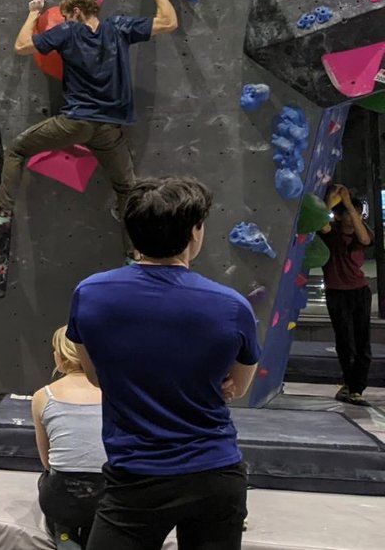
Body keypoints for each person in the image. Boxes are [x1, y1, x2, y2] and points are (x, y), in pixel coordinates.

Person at [68, 177, 260, 550]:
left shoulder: (90, 293)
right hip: (215, 474)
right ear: (194, 233)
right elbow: (237, 386)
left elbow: (96, 376)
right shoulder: (232, 306)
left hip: (135, 478)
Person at [0, 0, 178, 231]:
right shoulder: (119, 28)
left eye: (66, 15)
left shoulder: (68, 31)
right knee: (126, 188)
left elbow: (21, 46)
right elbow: (168, 22)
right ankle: (134, 255)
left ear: (77, 11)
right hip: (109, 129)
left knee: (18, 150)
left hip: (76, 122)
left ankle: (2, 211)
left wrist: (33, 12)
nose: (64, 19)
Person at [33, 326, 106, 548]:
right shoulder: (119, 392)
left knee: (48, 480)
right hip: (109, 496)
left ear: (60, 356)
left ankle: (64, 534)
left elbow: (47, 461)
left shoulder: (43, 396)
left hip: (63, 497)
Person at [320, 183, 373, 405]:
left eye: (358, 215)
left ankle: (355, 388)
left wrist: (350, 205)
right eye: (349, 215)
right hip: (337, 293)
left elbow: (365, 240)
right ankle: (350, 386)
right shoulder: (331, 233)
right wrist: (331, 201)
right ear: (339, 217)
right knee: (345, 341)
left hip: (360, 292)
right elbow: (319, 222)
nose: (354, 218)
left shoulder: (363, 232)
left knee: (363, 342)